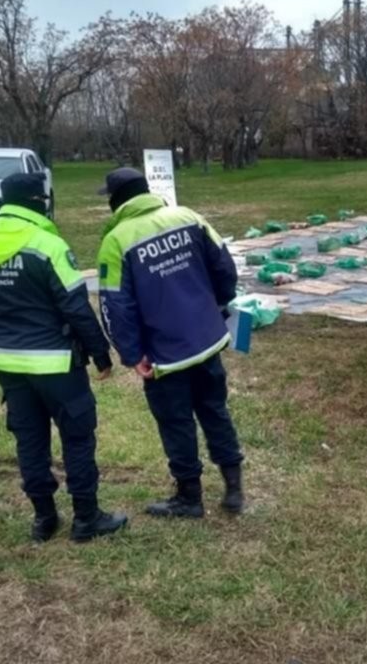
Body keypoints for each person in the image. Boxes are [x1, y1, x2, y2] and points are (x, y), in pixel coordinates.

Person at [0, 172, 128, 543]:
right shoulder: (48, 245)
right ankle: (86, 518)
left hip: (8, 364)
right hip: (56, 363)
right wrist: (100, 353)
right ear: (38, 202)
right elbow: (76, 306)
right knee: (77, 437)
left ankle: (44, 519)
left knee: (29, 441)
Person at [96, 168, 244, 518]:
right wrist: (218, 306)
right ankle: (234, 487)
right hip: (207, 340)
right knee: (215, 410)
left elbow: (115, 307)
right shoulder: (188, 217)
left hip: (164, 355)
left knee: (176, 423)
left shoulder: (116, 241)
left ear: (116, 200)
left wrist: (132, 354)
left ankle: (190, 498)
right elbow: (224, 267)